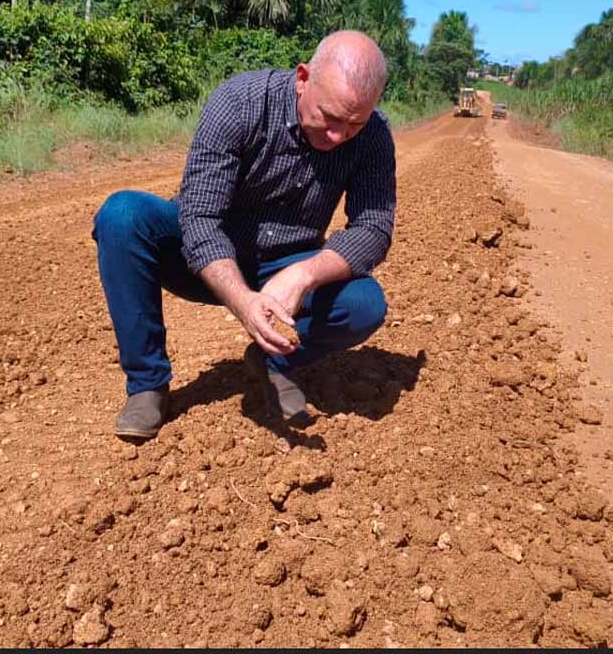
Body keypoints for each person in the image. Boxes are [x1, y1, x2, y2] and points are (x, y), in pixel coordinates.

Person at [92, 30, 397, 440]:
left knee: (364, 304)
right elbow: (200, 216)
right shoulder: (240, 102)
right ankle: (147, 385)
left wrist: (303, 275)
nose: (338, 136)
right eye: (330, 117)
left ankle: (275, 361)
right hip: (204, 256)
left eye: (354, 123)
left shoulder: (373, 135)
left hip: (286, 264)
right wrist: (242, 300)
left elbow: (372, 227)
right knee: (122, 215)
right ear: (303, 78)